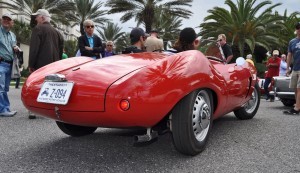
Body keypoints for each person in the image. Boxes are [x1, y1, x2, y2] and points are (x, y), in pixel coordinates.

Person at [28, 9, 64, 119]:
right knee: (51, 87)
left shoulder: (38, 29)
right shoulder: (57, 32)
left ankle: (33, 110)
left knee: (36, 86)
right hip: (54, 65)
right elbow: (61, 50)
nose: (35, 19)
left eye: (37, 16)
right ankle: (50, 111)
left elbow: (34, 49)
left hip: (41, 65)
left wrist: (31, 64)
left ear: (42, 18)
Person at [0, 13, 18, 117]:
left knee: (5, 88)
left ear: (12, 22)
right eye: (4, 19)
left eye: (8, 19)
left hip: (9, 64)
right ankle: (3, 110)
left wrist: (15, 47)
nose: (6, 21)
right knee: (0, 88)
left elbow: (13, 44)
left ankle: (6, 108)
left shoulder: (12, 35)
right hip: (1, 63)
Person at [284, 22, 300, 115]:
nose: (299, 29)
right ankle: (298, 105)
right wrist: (287, 68)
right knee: (295, 88)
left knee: (299, 88)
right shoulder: (292, 41)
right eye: (298, 28)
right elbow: (289, 55)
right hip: (295, 68)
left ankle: (296, 108)